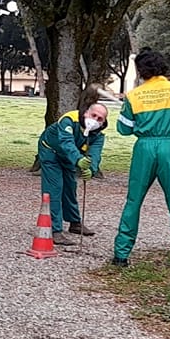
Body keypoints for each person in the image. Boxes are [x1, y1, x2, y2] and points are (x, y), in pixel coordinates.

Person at [111, 49, 170, 271]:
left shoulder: (134, 95)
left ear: (141, 71)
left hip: (144, 147)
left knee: (134, 201)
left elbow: (123, 128)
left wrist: (141, 126)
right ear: (163, 68)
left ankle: (121, 255)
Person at [36, 102, 108, 245]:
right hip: (51, 151)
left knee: (70, 187)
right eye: (94, 115)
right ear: (86, 112)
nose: (95, 120)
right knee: (54, 188)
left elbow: (94, 154)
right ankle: (54, 230)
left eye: (100, 119)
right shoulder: (69, 120)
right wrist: (79, 159)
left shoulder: (98, 135)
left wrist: (90, 169)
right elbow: (66, 142)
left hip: (69, 157)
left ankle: (75, 223)